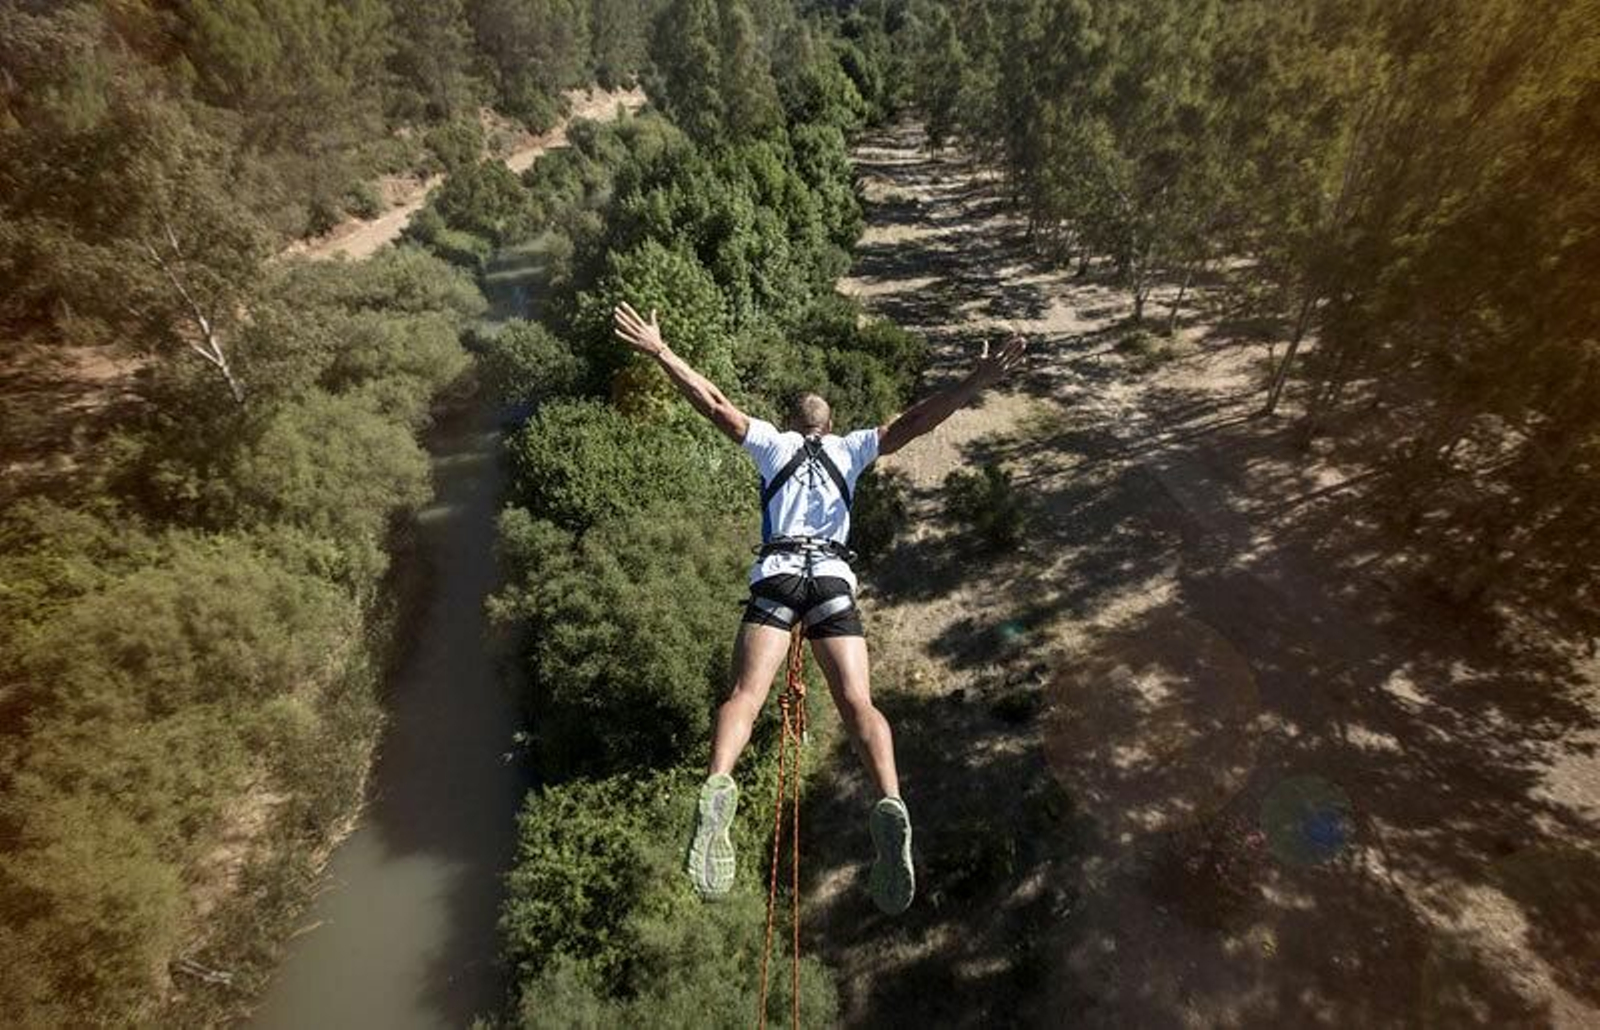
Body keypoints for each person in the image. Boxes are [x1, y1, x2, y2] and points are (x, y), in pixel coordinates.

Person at [611, 301, 1025, 915]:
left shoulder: (772, 445)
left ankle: (718, 781)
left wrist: (663, 352)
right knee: (859, 704)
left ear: (788, 421)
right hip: (831, 580)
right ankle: (889, 798)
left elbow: (715, 403)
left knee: (745, 699)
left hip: (777, 578)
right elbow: (916, 422)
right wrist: (971, 382)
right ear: (828, 428)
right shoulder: (853, 449)